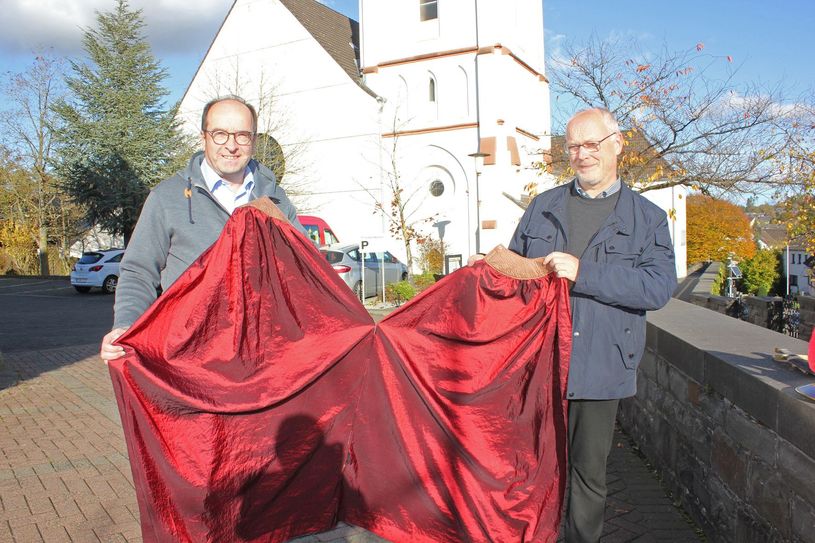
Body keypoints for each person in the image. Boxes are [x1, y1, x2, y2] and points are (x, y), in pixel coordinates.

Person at [497, 107, 677, 542]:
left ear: (617, 144)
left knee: (588, 476)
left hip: (602, 366)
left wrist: (584, 272)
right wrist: (489, 269)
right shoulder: (543, 207)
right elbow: (516, 273)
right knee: (528, 466)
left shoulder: (647, 217)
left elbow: (657, 288)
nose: (582, 154)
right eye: (574, 146)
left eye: (592, 143)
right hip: (540, 362)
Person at [100, 95, 302, 361]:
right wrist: (126, 325)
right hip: (191, 356)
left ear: (253, 140)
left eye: (242, 135)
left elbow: (303, 269)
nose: (231, 145)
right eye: (220, 134)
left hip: (262, 355)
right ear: (203, 137)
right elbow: (139, 270)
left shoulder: (276, 200)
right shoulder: (167, 197)